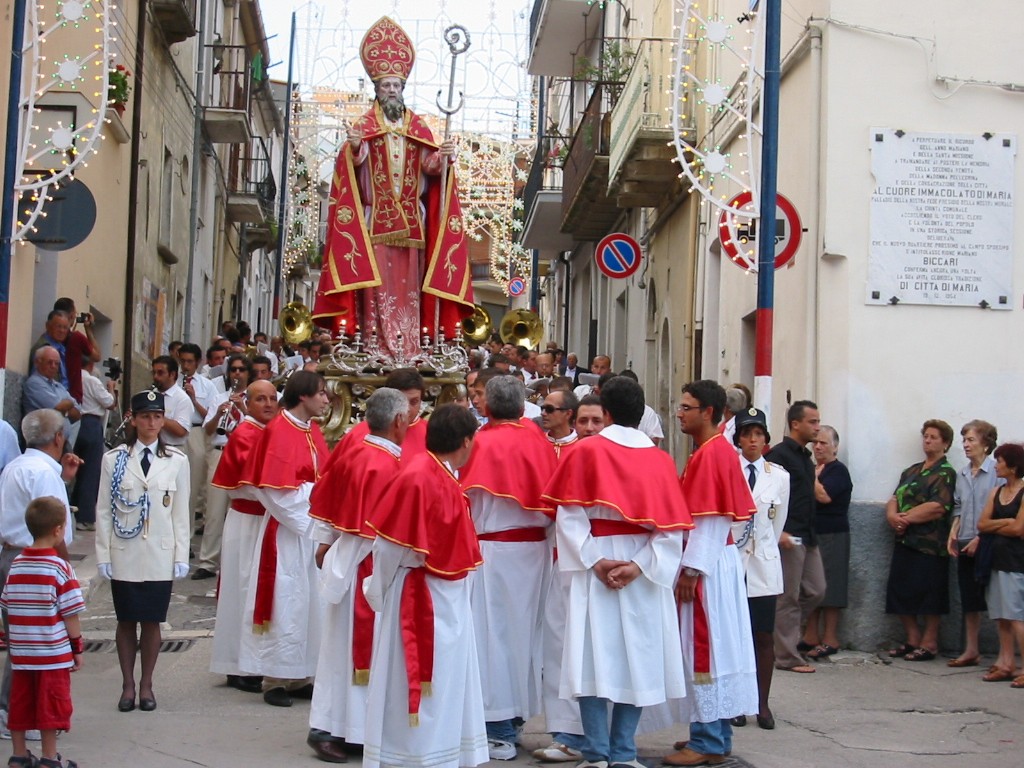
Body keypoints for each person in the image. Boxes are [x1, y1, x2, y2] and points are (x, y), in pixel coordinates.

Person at [542, 376, 690, 768]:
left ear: (605, 413)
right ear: (641, 415)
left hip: (598, 563)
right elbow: (671, 529)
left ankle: (596, 753)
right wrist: (640, 565)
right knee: (635, 659)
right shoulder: (660, 460)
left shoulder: (585, 452)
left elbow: (569, 515)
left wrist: (594, 558)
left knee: (591, 657)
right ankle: (623, 753)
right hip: (641, 567)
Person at [312, 16, 473, 355]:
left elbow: (429, 169)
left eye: (396, 86)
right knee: (377, 285)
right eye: (385, 86)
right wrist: (355, 147)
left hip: (413, 221)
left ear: (403, 89)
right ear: (377, 88)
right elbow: (356, 165)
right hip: (375, 221)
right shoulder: (365, 126)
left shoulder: (418, 127)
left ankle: (410, 345)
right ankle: (375, 346)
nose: (391, 91)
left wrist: (443, 157)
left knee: (408, 286)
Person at [362, 404, 488, 768]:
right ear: (465, 441)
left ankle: (444, 753)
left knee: (447, 685)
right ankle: (413, 758)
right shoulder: (419, 476)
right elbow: (388, 546)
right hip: (417, 598)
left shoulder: (441, 473)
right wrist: (380, 589)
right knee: (413, 682)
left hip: (446, 598)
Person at [306, 388, 408, 763]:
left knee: (340, 651)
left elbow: (326, 502)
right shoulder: (383, 463)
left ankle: (346, 728)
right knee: (356, 651)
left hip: (347, 561)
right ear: (398, 421)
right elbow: (385, 532)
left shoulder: (356, 452)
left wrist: (324, 542)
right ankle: (335, 729)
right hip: (367, 566)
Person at [459, 375, 558, 760]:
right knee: (524, 638)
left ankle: (497, 728)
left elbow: (465, 504)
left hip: (492, 555)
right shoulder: (540, 443)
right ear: (522, 408)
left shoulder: (479, 443)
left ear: (486, 406)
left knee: (492, 639)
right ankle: (515, 720)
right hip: (534, 555)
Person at [665, 380, 757, 767]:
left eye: (687, 407)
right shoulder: (712, 450)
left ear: (708, 412)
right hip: (713, 564)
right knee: (712, 650)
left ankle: (708, 741)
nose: (679, 413)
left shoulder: (711, 454)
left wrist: (692, 570)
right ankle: (714, 732)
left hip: (706, 567)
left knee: (704, 650)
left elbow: (712, 518)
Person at [95, 390, 191, 712]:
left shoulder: (177, 461)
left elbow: (181, 512)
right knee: (126, 620)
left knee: (152, 621)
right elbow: (104, 511)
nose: (152, 423)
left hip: (160, 553)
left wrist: (181, 555)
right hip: (125, 550)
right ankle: (127, 686)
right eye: (146, 417)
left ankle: (147, 685)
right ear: (133, 420)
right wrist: (103, 555)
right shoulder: (115, 459)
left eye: (157, 416)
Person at [237, 371, 329, 707]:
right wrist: (309, 517)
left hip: (311, 527)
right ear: (303, 396)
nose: (326, 399)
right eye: (320, 393)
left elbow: (323, 479)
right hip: (288, 531)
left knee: (310, 603)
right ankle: (274, 677)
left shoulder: (312, 431)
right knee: (285, 600)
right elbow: (272, 490)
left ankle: (300, 673)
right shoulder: (279, 430)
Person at [0, 410, 79, 736]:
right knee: (39, 643)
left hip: (13, 556)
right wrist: (65, 568)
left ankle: (17, 711)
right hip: (40, 561)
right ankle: (19, 713)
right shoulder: (43, 474)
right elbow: (52, 528)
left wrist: (65, 479)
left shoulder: (17, 466)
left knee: (21, 638)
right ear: (58, 437)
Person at [1, 497, 85, 768]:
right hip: (52, 654)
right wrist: (77, 645)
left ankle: (19, 755)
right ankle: (50, 757)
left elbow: (7, 603)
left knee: (20, 702)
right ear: (58, 530)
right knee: (51, 705)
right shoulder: (60, 567)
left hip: (22, 654)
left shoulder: (17, 565)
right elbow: (70, 612)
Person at [208, 380, 279, 696]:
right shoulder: (245, 434)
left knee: (256, 590)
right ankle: (236, 665)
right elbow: (249, 483)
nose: (267, 404)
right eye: (260, 399)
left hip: (264, 521)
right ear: (246, 403)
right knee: (241, 590)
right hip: (247, 521)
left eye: (272, 398)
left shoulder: (270, 432)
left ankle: (254, 660)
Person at [729, 408, 789, 731]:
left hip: (763, 565)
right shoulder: (729, 470)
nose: (753, 440)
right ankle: (737, 702)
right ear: (738, 438)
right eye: (746, 434)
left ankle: (761, 703)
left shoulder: (779, 476)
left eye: (758, 434)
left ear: (766, 439)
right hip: (734, 563)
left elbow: (777, 523)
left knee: (763, 635)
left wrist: (762, 548)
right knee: (736, 636)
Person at [884, 419, 957, 662]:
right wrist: (894, 516)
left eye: (934, 437)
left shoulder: (946, 473)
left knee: (929, 592)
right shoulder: (911, 470)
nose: (928, 440)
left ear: (945, 443)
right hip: (905, 540)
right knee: (901, 589)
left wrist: (907, 519)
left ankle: (929, 641)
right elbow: (895, 497)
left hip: (931, 543)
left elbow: (939, 506)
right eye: (925, 436)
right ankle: (912, 638)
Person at [764, 400, 824, 674]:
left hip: (807, 535)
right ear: (795, 424)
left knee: (815, 589)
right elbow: (768, 497)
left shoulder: (805, 458)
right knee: (787, 595)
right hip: (788, 535)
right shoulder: (779, 456)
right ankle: (786, 655)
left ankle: (783, 637)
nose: (817, 427)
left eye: (818, 422)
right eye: (812, 422)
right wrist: (778, 531)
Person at [947, 420, 1003, 668]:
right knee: (969, 599)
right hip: (965, 539)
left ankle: (1005, 654)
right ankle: (971, 649)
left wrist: (981, 539)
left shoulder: (996, 473)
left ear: (986, 443)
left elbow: (999, 512)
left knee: (996, 599)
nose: (966, 445)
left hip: (989, 543)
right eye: (964, 440)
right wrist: (953, 533)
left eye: (971, 440)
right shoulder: (961, 474)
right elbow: (958, 506)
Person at [194, 355, 252, 580]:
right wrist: (219, 412)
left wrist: (243, 407)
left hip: (244, 456)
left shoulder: (255, 399)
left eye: (241, 370)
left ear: (248, 373)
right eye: (233, 370)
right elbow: (208, 431)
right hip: (220, 454)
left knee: (238, 511)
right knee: (214, 511)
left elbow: (262, 427)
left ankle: (233, 563)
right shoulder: (219, 397)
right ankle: (208, 561)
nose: (236, 374)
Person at [975, 443, 1024, 685]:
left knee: (1016, 615)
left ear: (1013, 466)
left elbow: (1019, 529)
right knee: (1001, 615)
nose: (996, 465)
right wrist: (1005, 522)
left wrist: (1001, 524)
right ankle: (1006, 663)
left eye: (1000, 461)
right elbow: (982, 525)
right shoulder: (996, 492)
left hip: (1016, 562)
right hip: (995, 559)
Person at [803, 425, 854, 659]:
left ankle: (830, 637)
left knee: (831, 587)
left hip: (833, 534)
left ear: (835, 446)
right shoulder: (814, 469)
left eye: (824, 442)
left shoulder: (838, 471)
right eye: (816, 442)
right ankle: (810, 635)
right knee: (811, 587)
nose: (818, 446)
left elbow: (823, 496)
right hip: (812, 534)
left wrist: (810, 476)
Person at [69, 357, 117, 530]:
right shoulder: (91, 381)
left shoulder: (72, 377)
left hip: (74, 423)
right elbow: (110, 403)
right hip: (91, 423)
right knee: (90, 471)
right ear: (90, 365)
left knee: (74, 468)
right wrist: (111, 389)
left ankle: (72, 508)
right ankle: (86, 516)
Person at [177, 343, 216, 537]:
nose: (185, 365)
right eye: (183, 361)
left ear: (198, 363)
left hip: (196, 432)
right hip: (174, 432)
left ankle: (188, 534)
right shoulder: (172, 381)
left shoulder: (207, 386)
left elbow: (210, 416)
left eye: (189, 362)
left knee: (192, 487)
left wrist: (193, 400)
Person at [22, 347, 80, 429]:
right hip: (42, 439)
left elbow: (77, 414)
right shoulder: (34, 383)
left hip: (60, 439)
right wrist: (69, 404)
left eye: (56, 363)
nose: (53, 366)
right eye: (49, 362)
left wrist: (65, 410)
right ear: (37, 362)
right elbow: (59, 407)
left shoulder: (58, 386)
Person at [150, 355, 191, 449]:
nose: (155, 377)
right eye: (154, 373)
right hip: (152, 447)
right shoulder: (151, 394)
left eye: (160, 373)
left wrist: (156, 416)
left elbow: (181, 431)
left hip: (172, 449)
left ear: (172, 374)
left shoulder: (182, 398)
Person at [541, 389, 579, 459]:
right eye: (542, 408)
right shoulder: (536, 442)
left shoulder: (581, 446)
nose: (543, 413)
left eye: (549, 409)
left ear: (568, 413)